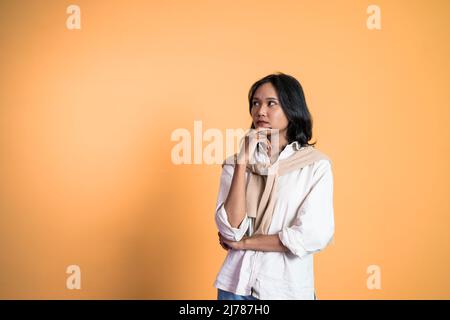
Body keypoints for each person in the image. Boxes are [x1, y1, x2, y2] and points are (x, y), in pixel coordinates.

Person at [213, 72, 334, 300]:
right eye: (255, 103)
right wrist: (242, 162)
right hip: (235, 286)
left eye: (271, 103)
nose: (260, 111)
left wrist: (245, 243)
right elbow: (230, 229)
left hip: (285, 289)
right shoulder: (235, 164)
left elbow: (312, 235)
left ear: (292, 108)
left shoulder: (315, 166)